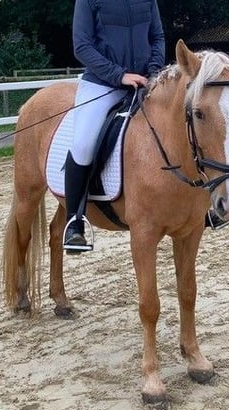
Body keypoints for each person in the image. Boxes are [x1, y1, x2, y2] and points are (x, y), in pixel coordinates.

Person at [63, 0, 166, 253]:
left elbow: (158, 37)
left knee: (183, 123)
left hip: (145, 81)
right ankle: (74, 223)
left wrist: (152, 71)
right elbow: (82, 46)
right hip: (102, 84)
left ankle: (199, 208)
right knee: (84, 143)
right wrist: (118, 75)